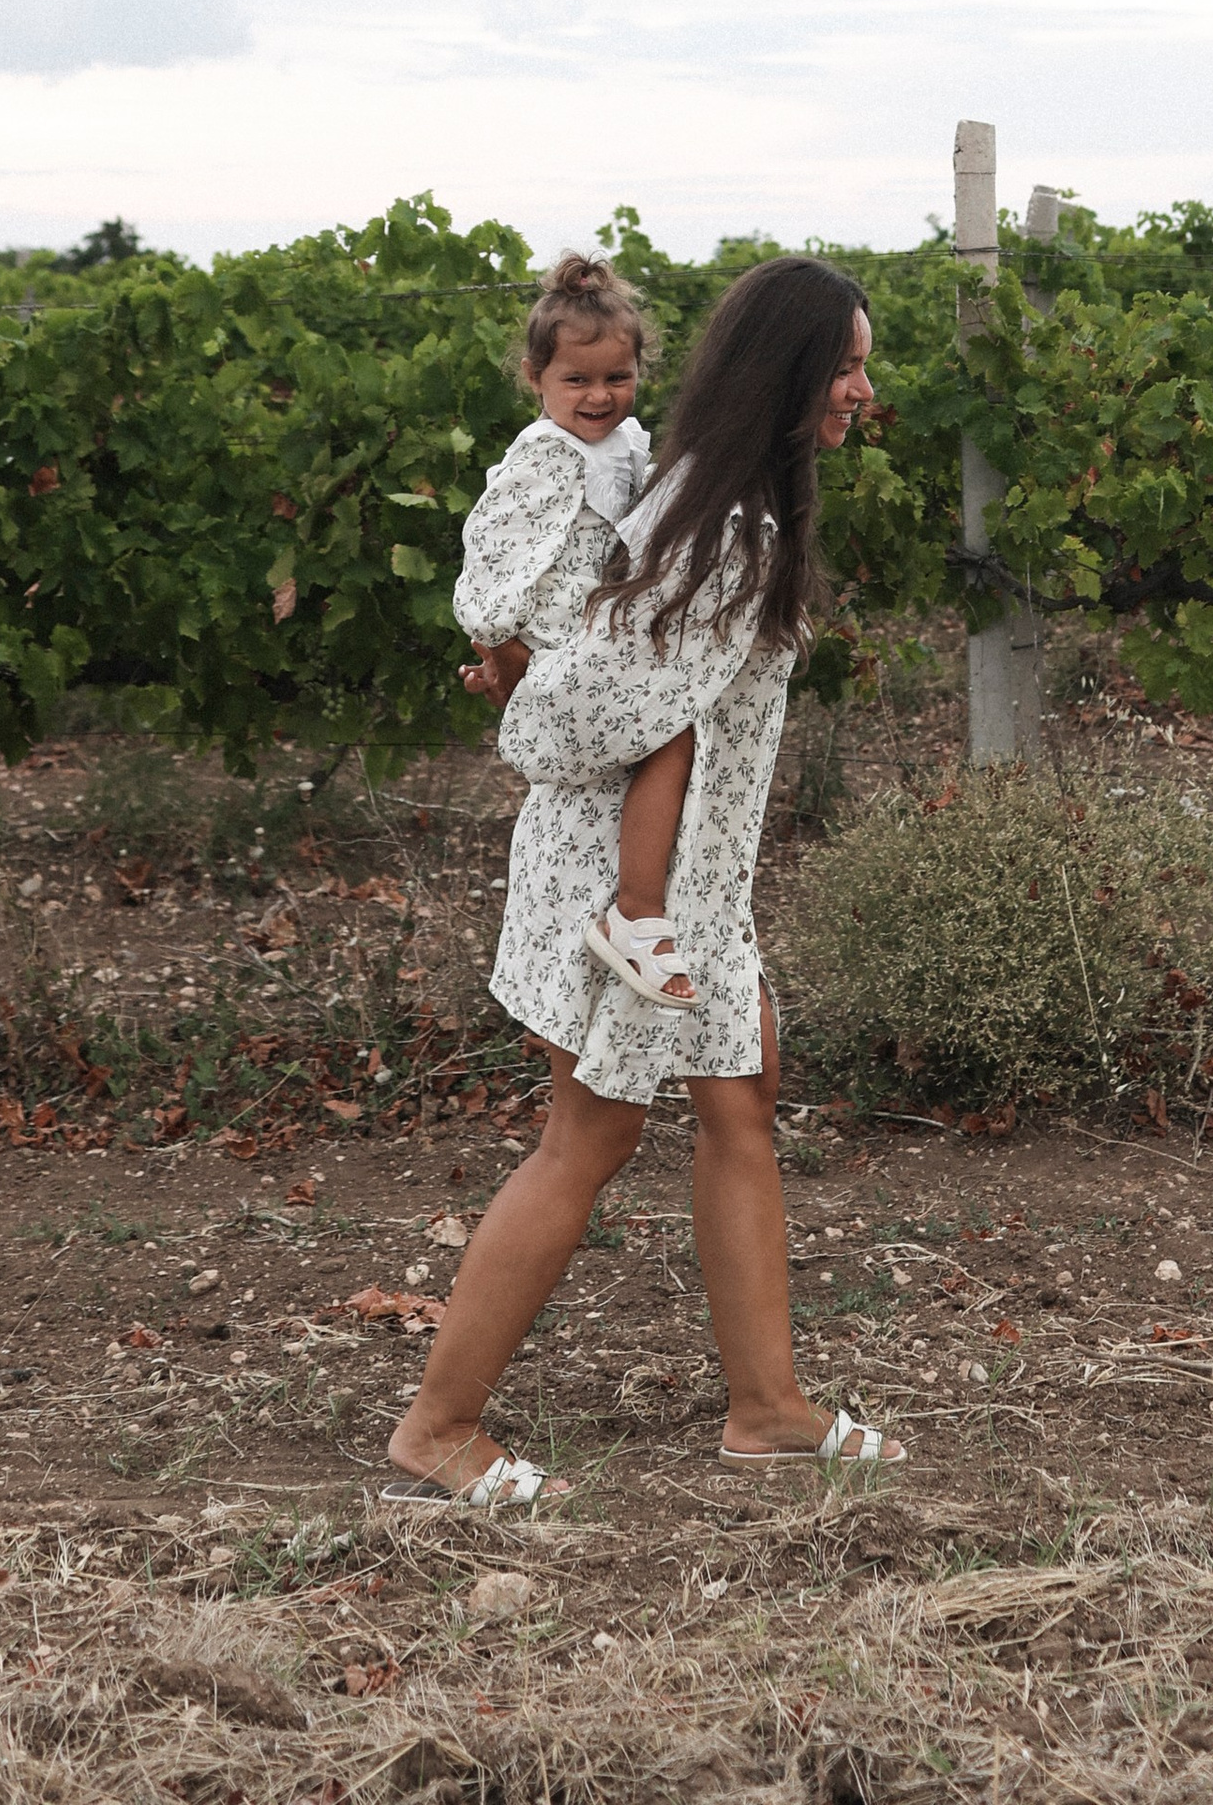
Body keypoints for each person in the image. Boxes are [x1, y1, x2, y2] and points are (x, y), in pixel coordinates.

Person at [387, 253, 903, 1504]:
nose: (864, 389)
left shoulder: (733, 512)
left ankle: (768, 1408)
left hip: (694, 888)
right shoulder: (721, 534)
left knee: (738, 1105)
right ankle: (436, 1431)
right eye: (844, 366)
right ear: (785, 378)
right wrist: (522, 701)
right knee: (591, 1133)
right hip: (629, 891)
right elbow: (583, 711)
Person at [453, 250, 703, 1006]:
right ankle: (636, 913)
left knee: (657, 747)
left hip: (600, 642)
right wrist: (506, 654)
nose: (599, 395)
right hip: (562, 652)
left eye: (616, 378)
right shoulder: (544, 458)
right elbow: (488, 559)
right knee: (672, 731)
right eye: (578, 380)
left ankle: (632, 907)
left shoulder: (626, 445)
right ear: (535, 378)